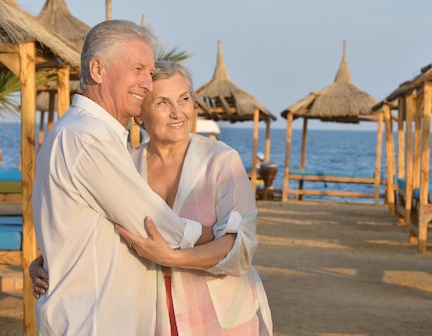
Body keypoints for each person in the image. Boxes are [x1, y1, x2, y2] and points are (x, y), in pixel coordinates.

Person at [32, 60, 272, 335]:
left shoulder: (221, 161)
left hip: (221, 320)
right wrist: (48, 263)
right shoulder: (124, 165)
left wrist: (171, 257)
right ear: (139, 115)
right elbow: (90, 229)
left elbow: (241, 247)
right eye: (162, 103)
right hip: (151, 318)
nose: (177, 112)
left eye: (184, 99)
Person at [31, 20, 209, 336]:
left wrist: (52, 259)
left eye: (150, 74)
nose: (147, 83)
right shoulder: (87, 138)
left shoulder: (86, 134)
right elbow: (157, 228)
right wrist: (225, 234)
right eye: (137, 69)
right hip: (93, 322)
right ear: (97, 70)